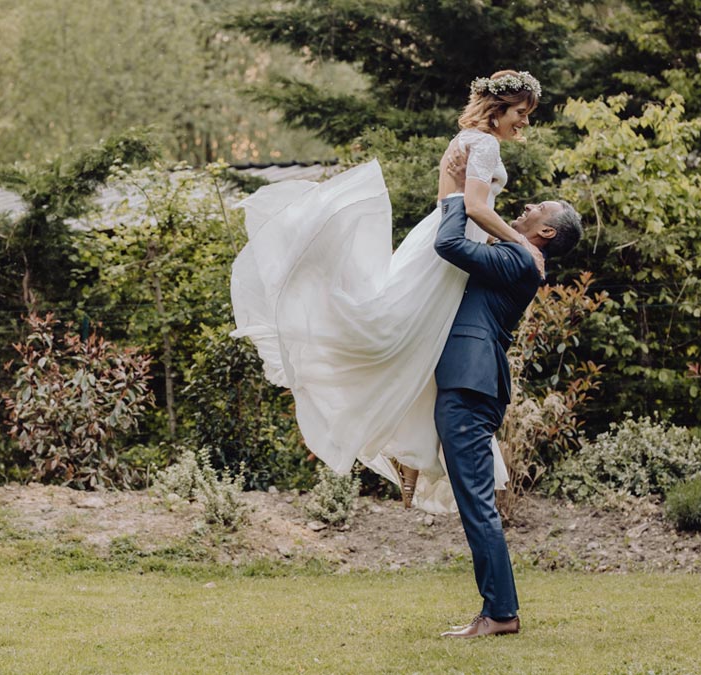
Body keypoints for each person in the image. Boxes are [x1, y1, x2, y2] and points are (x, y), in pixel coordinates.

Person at [229, 70, 543, 513]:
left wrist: (487, 238)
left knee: (418, 348)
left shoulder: (465, 140)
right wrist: (521, 241)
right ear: (497, 111)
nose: (524, 123)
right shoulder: (486, 144)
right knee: (393, 337)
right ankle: (404, 449)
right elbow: (474, 206)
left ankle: (410, 454)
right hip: (446, 251)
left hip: (440, 237)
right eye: (520, 113)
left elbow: (448, 201)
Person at [433, 145, 583, 638]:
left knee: (476, 502)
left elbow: (450, 245)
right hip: (469, 379)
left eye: (537, 208)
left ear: (546, 232)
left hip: (471, 382)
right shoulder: (516, 253)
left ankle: (500, 613)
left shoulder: (522, 260)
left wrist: (457, 191)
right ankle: (498, 609)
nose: (526, 205)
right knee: (474, 500)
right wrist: (452, 184)